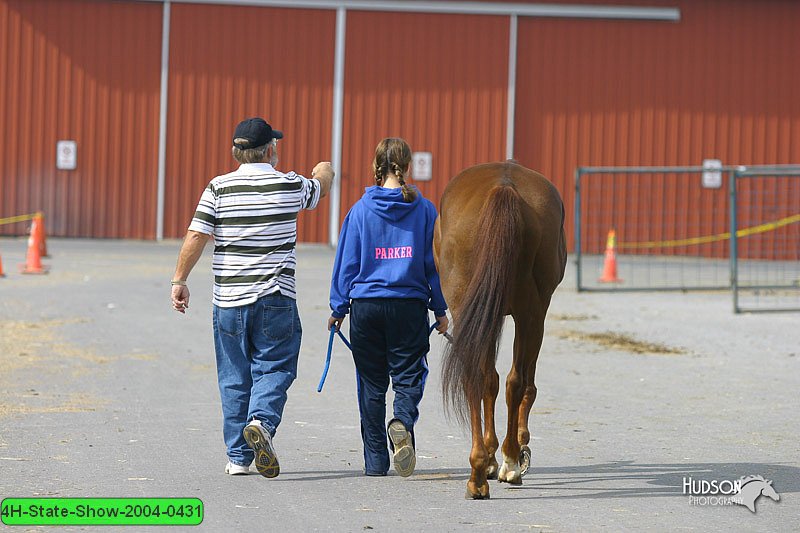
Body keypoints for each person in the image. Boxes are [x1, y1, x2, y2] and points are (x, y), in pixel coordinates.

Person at [171, 117, 334, 478]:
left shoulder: (218, 187)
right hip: (275, 297)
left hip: (228, 300)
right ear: (271, 149)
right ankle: (261, 420)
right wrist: (325, 171)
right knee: (275, 366)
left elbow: (197, 236)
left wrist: (179, 279)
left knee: (233, 375)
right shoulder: (289, 183)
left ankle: (238, 458)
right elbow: (319, 189)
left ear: (236, 151)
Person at [328, 137, 448, 478]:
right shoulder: (425, 210)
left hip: (365, 307)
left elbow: (346, 264)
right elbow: (432, 266)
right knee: (409, 375)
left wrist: (338, 308)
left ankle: (376, 464)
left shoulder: (360, 210)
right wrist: (440, 310)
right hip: (408, 306)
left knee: (371, 384)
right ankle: (402, 420)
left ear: (376, 167)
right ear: (407, 167)